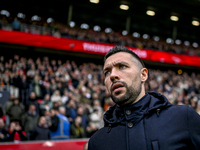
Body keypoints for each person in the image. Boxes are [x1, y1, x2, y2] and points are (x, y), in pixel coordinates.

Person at [88, 46, 200, 150]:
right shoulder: (96, 141)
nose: (112, 75)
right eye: (107, 72)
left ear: (143, 75)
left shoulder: (183, 118)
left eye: (122, 66)